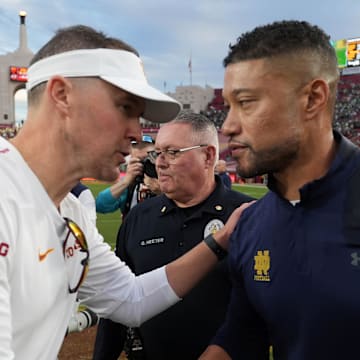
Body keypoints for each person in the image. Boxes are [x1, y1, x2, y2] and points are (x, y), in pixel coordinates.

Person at [0, 25, 250, 360]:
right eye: (124, 108)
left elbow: (130, 299)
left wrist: (220, 241)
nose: (136, 134)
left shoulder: (70, 212)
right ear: (61, 94)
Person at [199, 20, 360, 360]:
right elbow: (242, 332)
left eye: (246, 102)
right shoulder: (250, 224)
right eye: (228, 105)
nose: (226, 126)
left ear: (313, 99)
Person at [93, 111, 254, 360]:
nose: (160, 163)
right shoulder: (138, 218)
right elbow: (117, 307)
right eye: (158, 153)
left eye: (173, 152)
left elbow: (268, 316)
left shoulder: (247, 218)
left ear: (208, 156)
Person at [96, 134, 160, 218]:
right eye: (139, 160)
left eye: (149, 159)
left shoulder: (170, 180)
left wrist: (161, 192)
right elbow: (100, 205)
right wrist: (126, 181)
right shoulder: (130, 186)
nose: (145, 164)